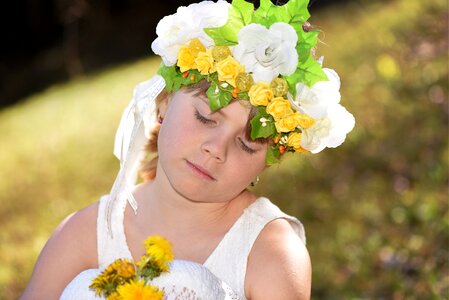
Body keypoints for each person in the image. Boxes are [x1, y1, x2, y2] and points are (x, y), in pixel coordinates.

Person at [21, 0, 355, 299]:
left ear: (267, 163)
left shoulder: (270, 254)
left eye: (246, 143)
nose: (216, 150)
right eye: (205, 117)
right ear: (163, 104)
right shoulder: (86, 235)